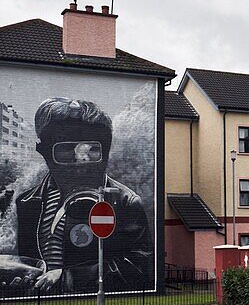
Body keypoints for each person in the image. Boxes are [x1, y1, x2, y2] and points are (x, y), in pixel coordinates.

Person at [14, 98, 153, 294]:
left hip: (84, 301)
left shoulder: (124, 202)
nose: (81, 162)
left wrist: (68, 278)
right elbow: (26, 262)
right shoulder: (28, 203)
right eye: (65, 150)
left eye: (91, 149)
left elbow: (139, 267)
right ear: (43, 151)